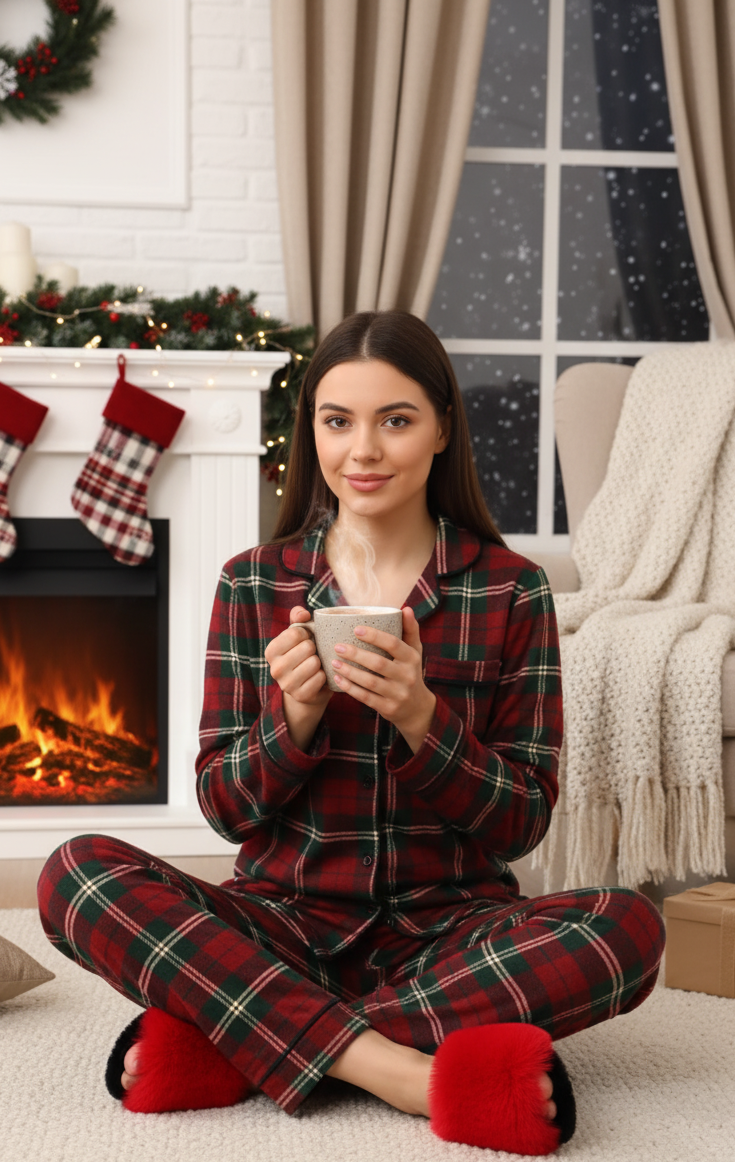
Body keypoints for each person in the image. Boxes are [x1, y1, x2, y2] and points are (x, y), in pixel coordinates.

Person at [37, 310, 665, 1156]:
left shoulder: (513, 591)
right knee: (75, 874)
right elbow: (225, 808)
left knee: (628, 929)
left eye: (395, 420)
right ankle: (400, 1069)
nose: (362, 451)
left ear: (442, 427)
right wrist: (290, 722)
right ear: (312, 433)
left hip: (450, 934)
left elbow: (522, 823)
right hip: (279, 926)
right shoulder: (252, 583)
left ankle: (246, 1036)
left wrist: (421, 718)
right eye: (337, 422)